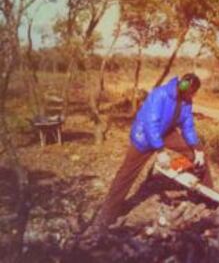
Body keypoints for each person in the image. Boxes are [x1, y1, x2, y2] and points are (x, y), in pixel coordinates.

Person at [83, 73, 212, 240]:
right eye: (190, 92)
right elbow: (151, 124)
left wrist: (196, 147)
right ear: (183, 86)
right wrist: (160, 151)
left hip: (166, 132)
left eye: (193, 93)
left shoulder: (186, 100)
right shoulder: (160, 94)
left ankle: (208, 196)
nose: (191, 96)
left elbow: (187, 125)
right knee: (126, 175)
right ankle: (106, 216)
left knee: (199, 153)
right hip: (145, 136)